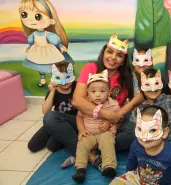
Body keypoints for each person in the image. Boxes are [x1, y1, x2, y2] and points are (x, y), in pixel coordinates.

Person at [43, 33, 135, 170]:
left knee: (133, 133)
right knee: (50, 118)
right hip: (86, 123)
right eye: (110, 51)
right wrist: (106, 114)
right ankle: (92, 156)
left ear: (123, 61)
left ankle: (80, 147)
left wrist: (110, 121)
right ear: (103, 53)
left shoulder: (125, 79)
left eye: (119, 55)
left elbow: (118, 112)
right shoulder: (91, 68)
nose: (113, 57)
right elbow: (77, 101)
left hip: (107, 131)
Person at [110, 105, 171, 185]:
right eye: (140, 129)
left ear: (165, 133)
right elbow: (131, 164)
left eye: (152, 130)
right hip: (138, 178)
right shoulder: (136, 144)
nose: (144, 137)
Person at [72, 70, 119, 183]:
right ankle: (80, 169)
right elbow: (79, 117)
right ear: (87, 92)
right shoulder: (85, 104)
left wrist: (113, 125)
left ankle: (109, 167)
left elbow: (117, 118)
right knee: (82, 144)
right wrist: (81, 130)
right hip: (89, 133)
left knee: (108, 142)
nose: (98, 94)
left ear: (109, 92)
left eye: (102, 91)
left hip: (104, 133)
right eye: (93, 91)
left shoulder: (113, 104)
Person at [19, 0, 73, 87]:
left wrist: (60, 45)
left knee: (53, 66)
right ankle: (43, 80)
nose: (30, 20)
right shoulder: (34, 34)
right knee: (40, 66)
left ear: (51, 20)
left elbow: (55, 41)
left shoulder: (48, 34)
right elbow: (31, 41)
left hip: (48, 51)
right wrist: (28, 47)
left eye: (37, 16)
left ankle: (55, 79)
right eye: (24, 15)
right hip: (37, 51)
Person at [28, 62, 77, 152]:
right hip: (56, 120)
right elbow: (45, 111)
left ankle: (68, 135)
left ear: (73, 75)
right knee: (32, 146)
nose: (64, 82)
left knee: (52, 146)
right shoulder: (54, 91)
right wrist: (52, 92)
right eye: (58, 78)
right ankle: (57, 131)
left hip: (73, 121)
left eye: (67, 77)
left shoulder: (77, 87)